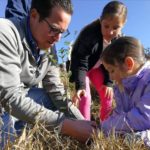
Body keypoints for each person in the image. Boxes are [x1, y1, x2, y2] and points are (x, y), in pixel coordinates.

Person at [0, 0, 96, 147]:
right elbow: (10, 97)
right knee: (8, 142)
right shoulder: (5, 32)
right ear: (33, 15)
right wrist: (66, 125)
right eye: (54, 29)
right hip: (4, 102)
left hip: (19, 98)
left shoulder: (48, 48)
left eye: (62, 33)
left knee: (50, 99)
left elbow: (56, 91)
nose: (57, 39)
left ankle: (22, 129)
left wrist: (82, 122)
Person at [70, 1, 127, 121]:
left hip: (98, 68)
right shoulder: (89, 33)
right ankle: (84, 126)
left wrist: (108, 83)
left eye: (115, 28)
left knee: (108, 95)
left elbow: (112, 64)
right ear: (101, 20)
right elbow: (81, 61)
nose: (110, 32)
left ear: (123, 25)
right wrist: (80, 86)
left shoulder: (118, 41)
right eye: (106, 26)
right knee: (85, 96)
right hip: (82, 67)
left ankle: (104, 125)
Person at [101, 36, 150, 147]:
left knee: (136, 139)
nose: (111, 77)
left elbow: (144, 117)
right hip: (139, 129)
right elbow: (120, 113)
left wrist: (104, 127)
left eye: (112, 70)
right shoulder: (121, 88)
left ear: (128, 64)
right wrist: (106, 126)